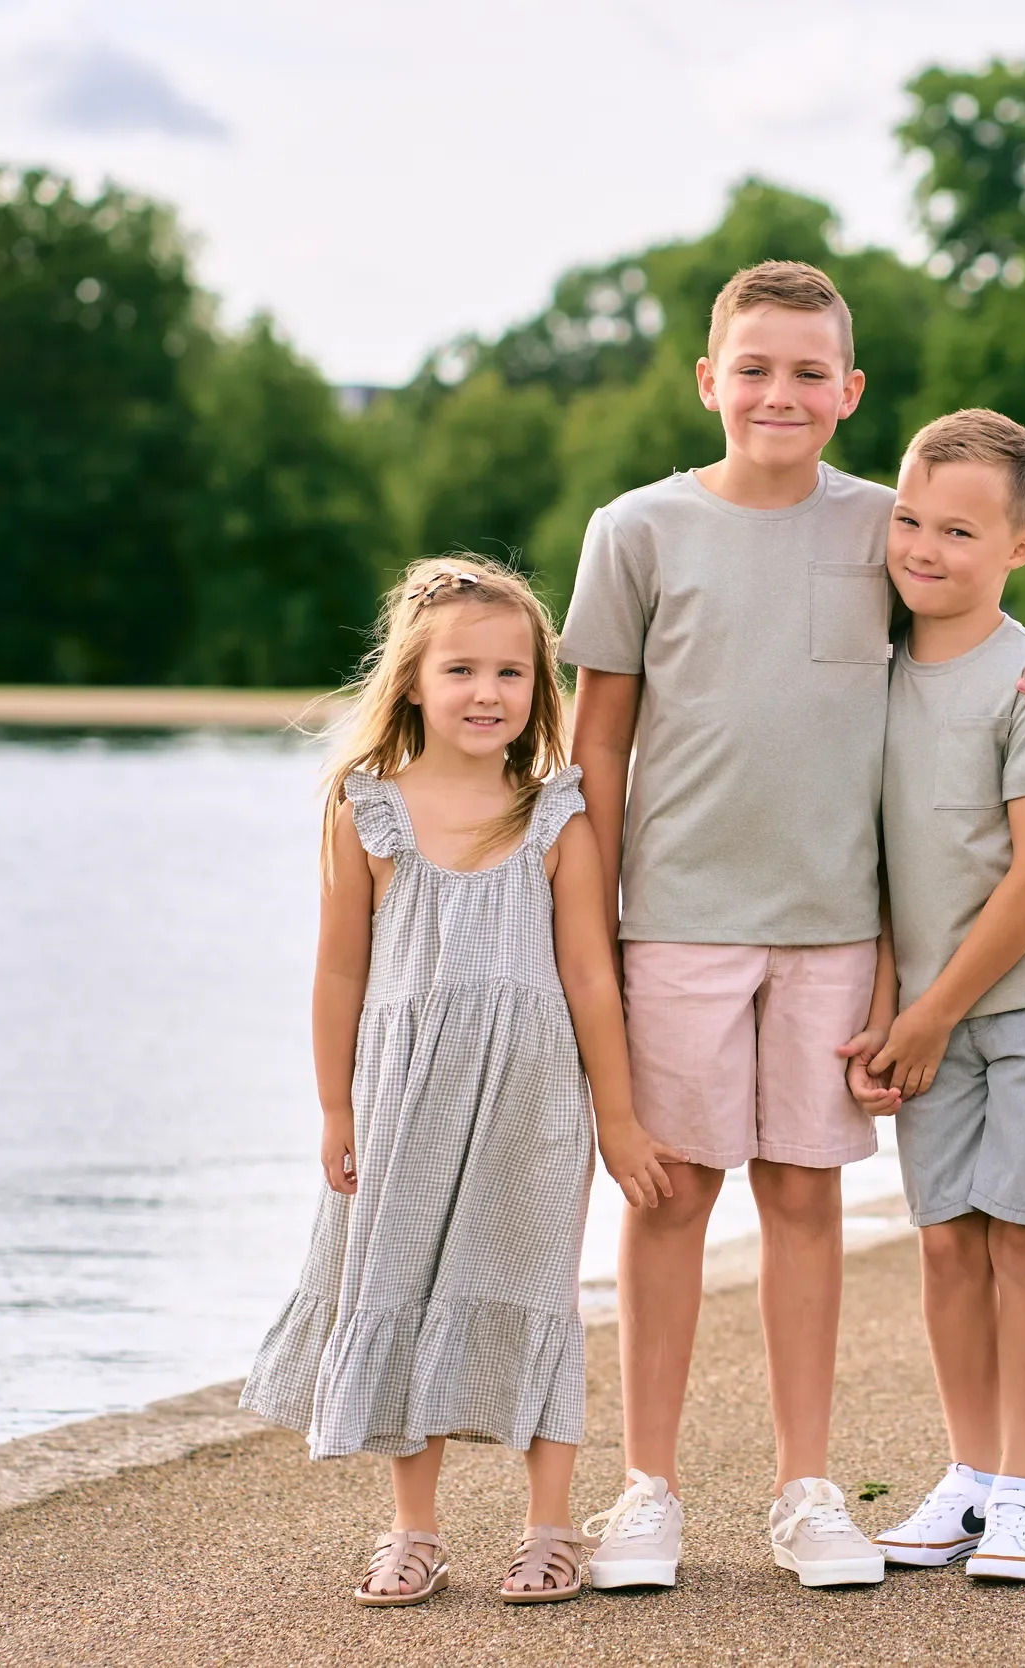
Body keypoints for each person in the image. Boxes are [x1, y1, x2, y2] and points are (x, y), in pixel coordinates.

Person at [561, 263, 1025, 1591]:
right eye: (754, 367)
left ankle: (808, 1490)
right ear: (708, 381)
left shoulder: (887, 527)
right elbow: (593, 763)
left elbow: (990, 639)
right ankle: (649, 1490)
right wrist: (585, 939)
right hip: (676, 925)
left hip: (833, 934)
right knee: (670, 1196)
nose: (780, 393)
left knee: (806, 1198)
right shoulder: (633, 530)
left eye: (811, 372)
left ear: (851, 393)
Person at [241, 557, 683, 1608]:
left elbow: (588, 971)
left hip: (532, 1099)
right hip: (403, 1094)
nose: (488, 693)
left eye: (512, 674)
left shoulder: (554, 813)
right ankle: (413, 1530)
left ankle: (549, 1526)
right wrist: (334, 1106)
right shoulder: (366, 810)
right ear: (411, 682)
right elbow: (340, 965)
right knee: (396, 1284)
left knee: (534, 1291)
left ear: (540, 689)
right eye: (462, 671)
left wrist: (616, 1119)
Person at [859, 410, 1025, 1585]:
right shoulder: (872, 658)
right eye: (909, 520)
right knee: (944, 1244)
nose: (924, 547)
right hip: (934, 1008)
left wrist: (931, 1013)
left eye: (958, 531)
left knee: (1024, 1232)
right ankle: (967, 1482)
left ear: (1019, 547)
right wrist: (895, 1006)